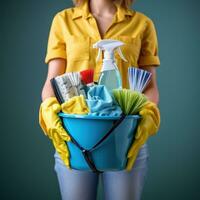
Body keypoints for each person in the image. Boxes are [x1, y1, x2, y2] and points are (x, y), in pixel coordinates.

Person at [39, 0, 160, 199]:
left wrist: (145, 113)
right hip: (76, 136)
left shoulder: (143, 24)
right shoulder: (63, 21)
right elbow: (51, 84)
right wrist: (49, 109)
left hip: (125, 137)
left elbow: (150, 87)